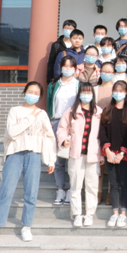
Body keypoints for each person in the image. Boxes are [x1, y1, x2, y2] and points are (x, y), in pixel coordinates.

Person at [0, 82, 57, 246]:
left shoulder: (42, 114)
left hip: (34, 154)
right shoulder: (15, 111)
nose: (33, 94)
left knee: (31, 192)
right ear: (24, 92)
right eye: (30, 91)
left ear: (40, 96)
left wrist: (50, 159)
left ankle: (26, 226)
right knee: (6, 190)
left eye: (36, 92)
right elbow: (12, 132)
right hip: (15, 153)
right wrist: (31, 117)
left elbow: (49, 137)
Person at [56, 82, 103, 228]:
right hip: (76, 154)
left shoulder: (99, 112)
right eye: (83, 92)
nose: (86, 95)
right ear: (79, 94)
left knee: (92, 186)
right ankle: (77, 214)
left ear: (93, 95)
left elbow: (103, 135)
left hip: (93, 155)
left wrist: (102, 155)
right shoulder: (71, 111)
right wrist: (63, 140)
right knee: (75, 185)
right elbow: (62, 128)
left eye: (89, 92)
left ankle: (89, 214)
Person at [99, 81, 127, 228]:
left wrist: (122, 152)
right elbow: (102, 132)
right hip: (110, 153)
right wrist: (107, 151)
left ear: (126, 93)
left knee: (124, 184)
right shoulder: (107, 111)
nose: (118, 93)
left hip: (125, 154)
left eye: (121, 90)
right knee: (113, 184)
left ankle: (123, 214)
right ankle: (115, 212)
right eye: (116, 90)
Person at [47, 55, 80, 205]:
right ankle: (60, 188)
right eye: (65, 66)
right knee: (59, 159)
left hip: (74, 123)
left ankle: (71, 190)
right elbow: (49, 104)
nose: (68, 69)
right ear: (60, 67)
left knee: (73, 158)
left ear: (75, 69)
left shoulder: (79, 85)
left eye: (71, 67)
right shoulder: (54, 85)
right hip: (57, 122)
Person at [47, 19, 77, 84]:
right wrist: (50, 80)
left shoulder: (77, 45)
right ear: (63, 29)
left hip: (74, 77)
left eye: (71, 29)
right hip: (59, 77)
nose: (68, 30)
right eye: (66, 28)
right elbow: (51, 63)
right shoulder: (56, 45)